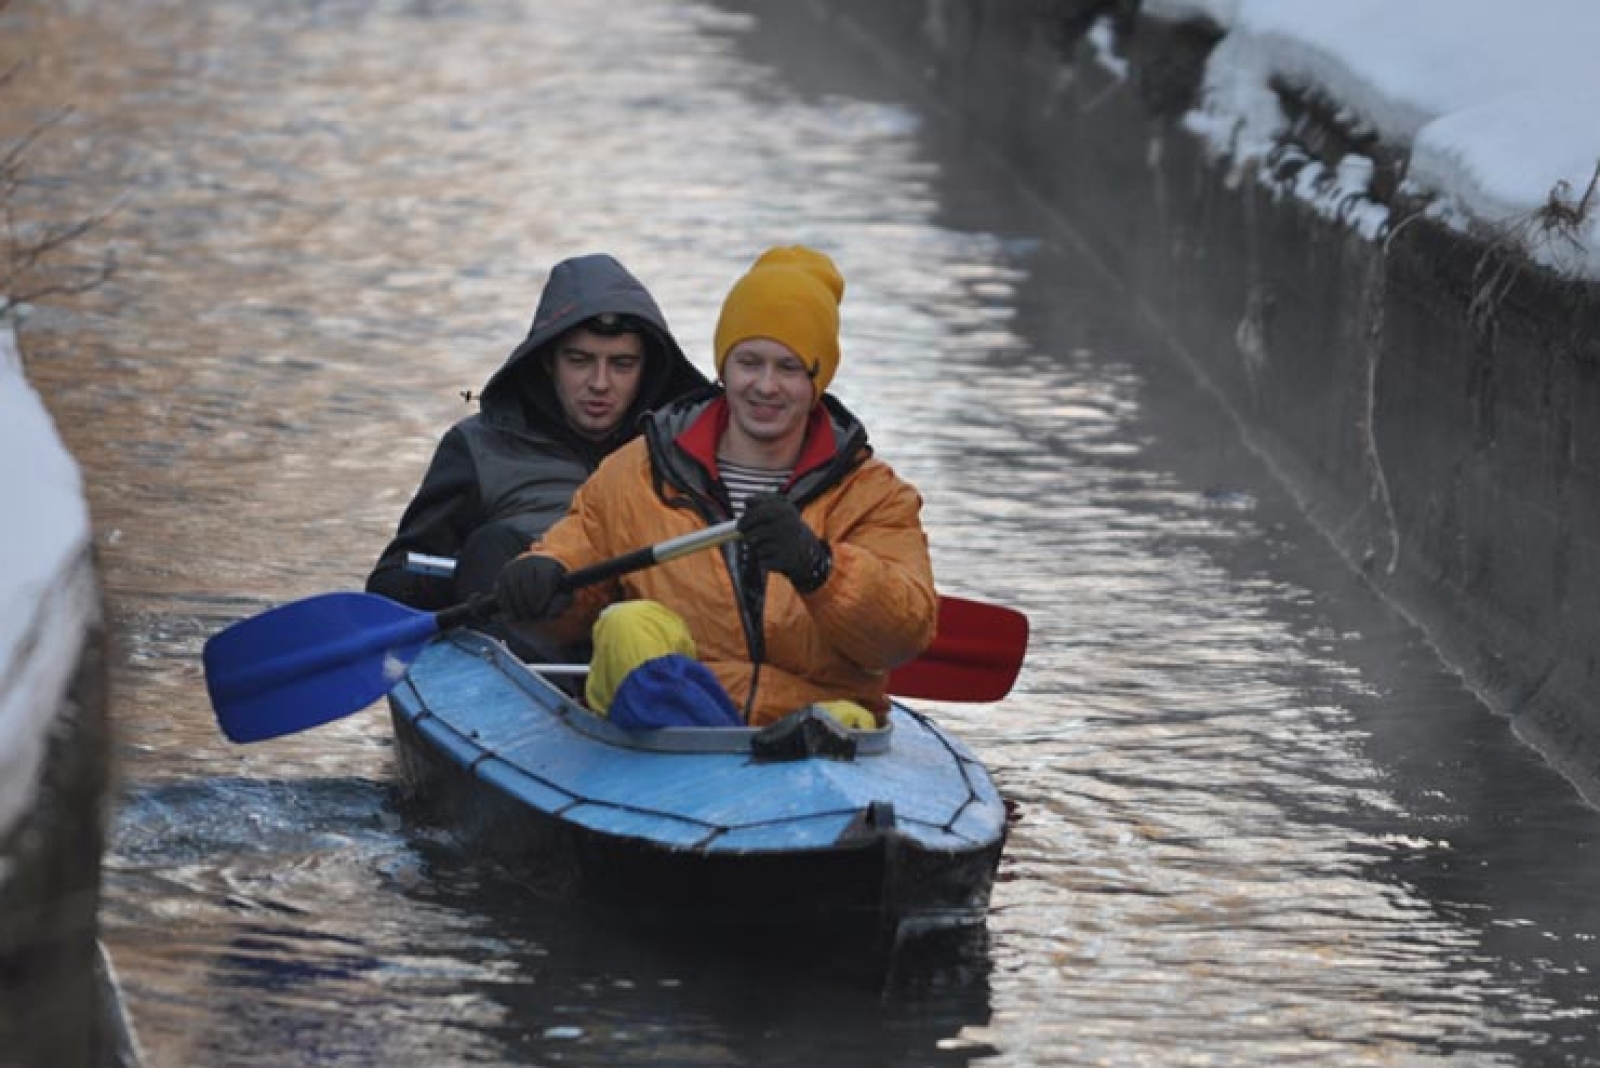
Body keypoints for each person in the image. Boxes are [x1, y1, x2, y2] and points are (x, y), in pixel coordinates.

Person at [493, 245, 938, 729]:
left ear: (818, 379)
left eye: (788, 368)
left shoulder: (874, 495)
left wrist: (820, 569)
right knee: (628, 623)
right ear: (723, 367)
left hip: (812, 724)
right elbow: (578, 555)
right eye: (749, 362)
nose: (765, 386)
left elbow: (903, 634)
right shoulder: (635, 471)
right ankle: (697, 737)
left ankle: (776, 762)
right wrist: (542, 576)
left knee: (845, 720)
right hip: (668, 722)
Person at [365, 253, 707, 622]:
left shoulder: (684, 451)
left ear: (648, 368)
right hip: (525, 656)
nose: (600, 383)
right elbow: (393, 580)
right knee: (492, 546)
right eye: (580, 360)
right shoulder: (476, 448)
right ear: (547, 361)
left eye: (622, 364)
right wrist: (486, 574)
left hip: (654, 644)